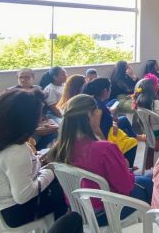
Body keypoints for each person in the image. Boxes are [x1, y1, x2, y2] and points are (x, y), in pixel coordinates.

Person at [0, 89, 67, 229]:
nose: (41, 118)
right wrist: (50, 170)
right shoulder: (16, 150)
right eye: (39, 114)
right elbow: (23, 196)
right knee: (62, 188)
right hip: (10, 214)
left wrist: (37, 161)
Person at [48, 95, 153, 224]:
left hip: (79, 209)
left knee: (146, 178)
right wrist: (126, 169)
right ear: (90, 116)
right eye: (97, 112)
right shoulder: (105, 149)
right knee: (151, 181)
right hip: (107, 211)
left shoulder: (59, 148)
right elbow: (125, 186)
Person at [82, 78, 139, 166]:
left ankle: (123, 163)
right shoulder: (99, 106)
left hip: (109, 132)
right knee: (132, 142)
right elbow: (95, 127)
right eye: (110, 88)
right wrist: (105, 143)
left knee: (126, 135)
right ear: (105, 91)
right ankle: (127, 168)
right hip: (106, 137)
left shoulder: (96, 102)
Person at [133, 76, 159, 168]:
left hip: (150, 136)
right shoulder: (155, 104)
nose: (157, 86)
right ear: (152, 90)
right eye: (155, 85)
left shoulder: (140, 102)